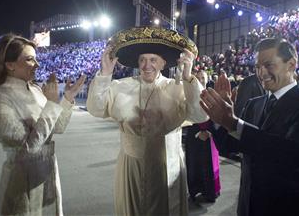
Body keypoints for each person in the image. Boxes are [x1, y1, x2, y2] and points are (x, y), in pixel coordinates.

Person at [199, 38, 299, 216]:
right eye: (257, 66)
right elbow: (230, 147)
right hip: (250, 206)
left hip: (292, 208)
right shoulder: (253, 104)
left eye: (269, 65)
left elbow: (294, 154)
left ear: (291, 64)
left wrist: (232, 122)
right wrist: (219, 121)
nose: (261, 72)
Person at [86, 26, 208, 216]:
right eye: (142, 60)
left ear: (163, 63)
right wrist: (105, 75)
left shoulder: (176, 87)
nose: (146, 65)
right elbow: (96, 108)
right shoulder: (121, 87)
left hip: (168, 163)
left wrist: (188, 77)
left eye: (153, 60)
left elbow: (200, 115)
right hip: (131, 165)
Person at [0, 33, 86, 216]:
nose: (37, 65)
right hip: (21, 180)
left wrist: (68, 98)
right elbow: (28, 149)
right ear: (9, 65)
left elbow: (56, 127)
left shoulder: (35, 90)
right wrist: (51, 105)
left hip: (49, 173)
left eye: (36, 59)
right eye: (29, 59)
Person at [185, 70, 221, 203]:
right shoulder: (188, 95)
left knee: (210, 166)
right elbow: (185, 117)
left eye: (203, 78)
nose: (201, 80)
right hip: (194, 137)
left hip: (211, 137)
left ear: (208, 79)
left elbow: (218, 117)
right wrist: (198, 132)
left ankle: (210, 192)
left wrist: (209, 132)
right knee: (195, 165)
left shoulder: (213, 96)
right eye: (198, 78)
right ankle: (195, 190)